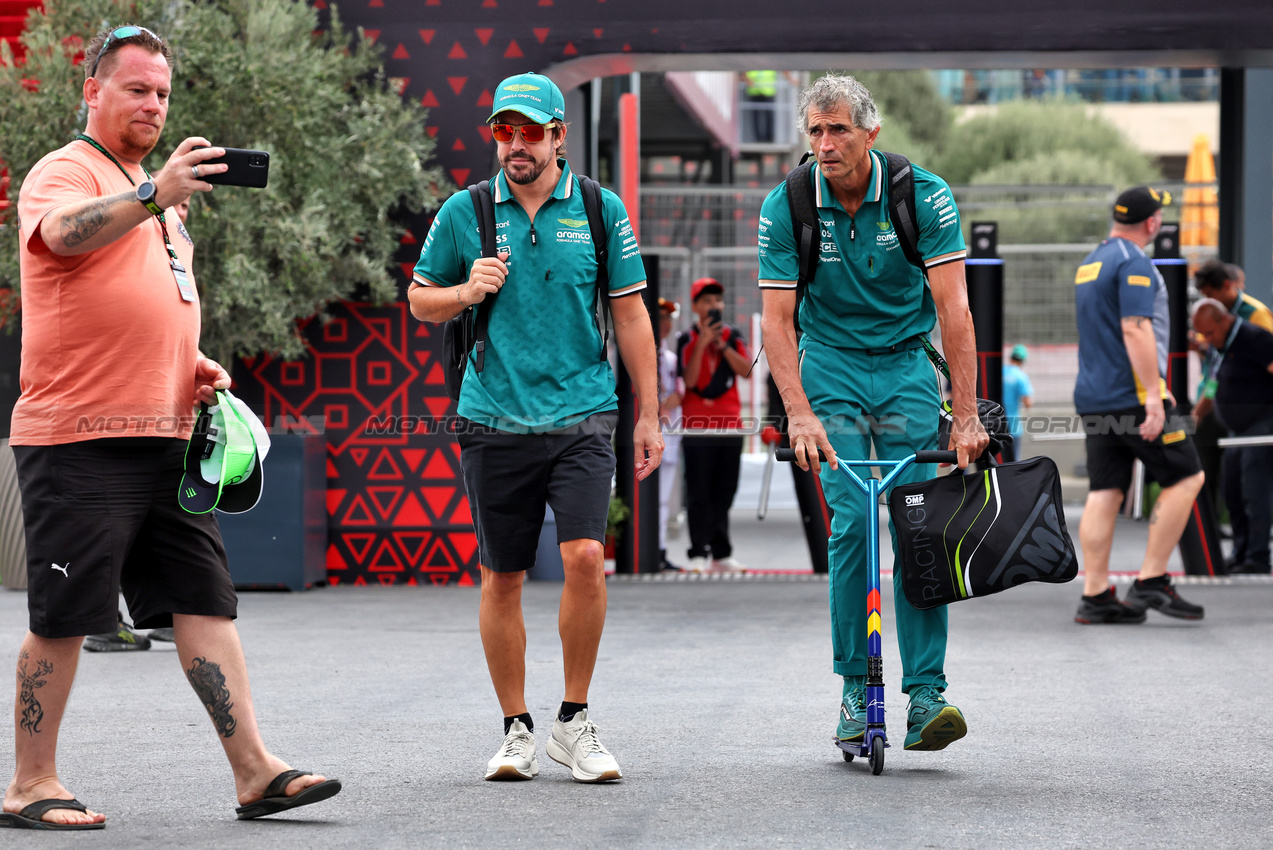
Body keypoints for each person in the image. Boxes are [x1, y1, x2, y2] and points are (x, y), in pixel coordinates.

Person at [2, 25, 339, 829]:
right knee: (65, 614)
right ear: (93, 91)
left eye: (161, 92)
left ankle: (256, 771)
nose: (153, 104)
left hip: (165, 434)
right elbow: (59, 236)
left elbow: (147, 304)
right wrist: (153, 193)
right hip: (77, 437)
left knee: (205, 600)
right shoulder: (69, 171)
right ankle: (28, 784)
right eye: (136, 89)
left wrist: (192, 363)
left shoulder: (157, 197)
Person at [407, 72, 661, 783]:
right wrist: (465, 290)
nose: (514, 145)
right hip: (493, 415)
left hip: (583, 410)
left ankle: (573, 722)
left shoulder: (600, 209)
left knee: (584, 556)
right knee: (503, 575)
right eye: (502, 131)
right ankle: (516, 729)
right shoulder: (466, 211)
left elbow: (632, 314)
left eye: (528, 131)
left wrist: (649, 412)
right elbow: (420, 301)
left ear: (558, 136)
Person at [759, 74, 989, 753]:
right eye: (815, 132)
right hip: (826, 362)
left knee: (920, 524)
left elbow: (954, 310)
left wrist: (967, 417)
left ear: (870, 132)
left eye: (838, 131)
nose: (825, 145)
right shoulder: (789, 203)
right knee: (852, 520)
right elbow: (774, 321)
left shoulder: (924, 195)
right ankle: (856, 692)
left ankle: (924, 696)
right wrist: (797, 412)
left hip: (904, 366)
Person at [1072, 186, 1206, 625]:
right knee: (1188, 475)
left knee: (1106, 490)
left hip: (1093, 396)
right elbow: (1135, 328)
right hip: (1132, 395)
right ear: (1152, 224)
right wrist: (1153, 394)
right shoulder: (1135, 263)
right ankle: (1150, 579)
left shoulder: (1090, 263)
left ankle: (1095, 594)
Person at [1191, 299, 1273, 574]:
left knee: (1255, 491)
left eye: (1210, 333)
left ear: (1224, 320)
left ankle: (1258, 556)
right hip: (1236, 432)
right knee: (1233, 491)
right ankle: (1240, 552)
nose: (1207, 340)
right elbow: (1212, 387)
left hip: (1261, 425)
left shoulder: (1255, 338)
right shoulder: (1219, 347)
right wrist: (1192, 419)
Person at [677, 277, 751, 572]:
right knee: (698, 490)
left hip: (730, 424)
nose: (713, 305)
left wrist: (722, 346)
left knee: (725, 490)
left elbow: (746, 370)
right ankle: (698, 551)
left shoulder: (733, 336)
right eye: (706, 300)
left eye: (717, 300)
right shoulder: (686, 339)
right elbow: (691, 380)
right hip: (696, 426)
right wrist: (703, 343)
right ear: (695, 306)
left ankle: (720, 552)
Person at [657, 297, 684, 572]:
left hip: (671, 436)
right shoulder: (633, 353)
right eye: (659, 316)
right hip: (646, 435)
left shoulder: (672, 358)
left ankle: (660, 548)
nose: (664, 323)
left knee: (664, 498)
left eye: (668, 317)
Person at [1001, 343, 1034, 462]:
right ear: (1023, 360)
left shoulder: (999, 372)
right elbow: (1028, 402)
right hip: (1013, 426)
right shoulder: (1021, 377)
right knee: (1013, 462)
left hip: (995, 425)